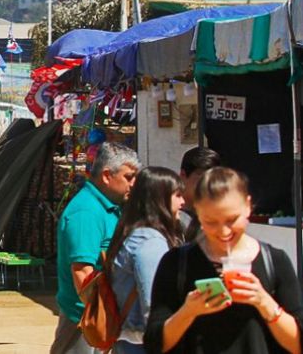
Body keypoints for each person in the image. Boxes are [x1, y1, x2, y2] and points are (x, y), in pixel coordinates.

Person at [145, 167, 303, 353]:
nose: (224, 231)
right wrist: (188, 312)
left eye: (232, 219)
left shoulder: (274, 261)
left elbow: (297, 344)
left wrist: (265, 303)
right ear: (198, 212)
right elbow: (154, 344)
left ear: (248, 206)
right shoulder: (177, 263)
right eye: (211, 222)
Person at [51, 143, 140, 354]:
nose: (134, 184)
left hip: (99, 319)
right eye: (129, 177)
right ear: (107, 176)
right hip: (86, 322)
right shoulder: (86, 212)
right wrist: (102, 320)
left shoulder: (106, 207)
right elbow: (83, 275)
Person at [107, 167, 185, 353]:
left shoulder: (134, 232)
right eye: (177, 195)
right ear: (160, 199)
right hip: (142, 343)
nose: (183, 202)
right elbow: (153, 303)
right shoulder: (149, 241)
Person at [177, 146, 221, 241]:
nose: (207, 185)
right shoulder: (173, 215)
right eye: (202, 178)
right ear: (183, 175)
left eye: (213, 179)